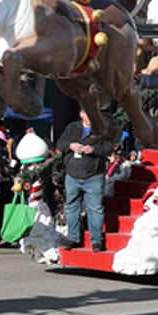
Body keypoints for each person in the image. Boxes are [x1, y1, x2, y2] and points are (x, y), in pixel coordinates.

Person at [55, 108, 118, 252]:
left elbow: (109, 147)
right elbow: (60, 144)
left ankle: (96, 241)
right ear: (81, 114)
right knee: (71, 207)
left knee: (95, 208)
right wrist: (71, 146)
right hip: (72, 174)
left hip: (93, 176)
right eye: (87, 113)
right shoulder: (72, 128)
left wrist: (94, 150)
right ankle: (73, 238)